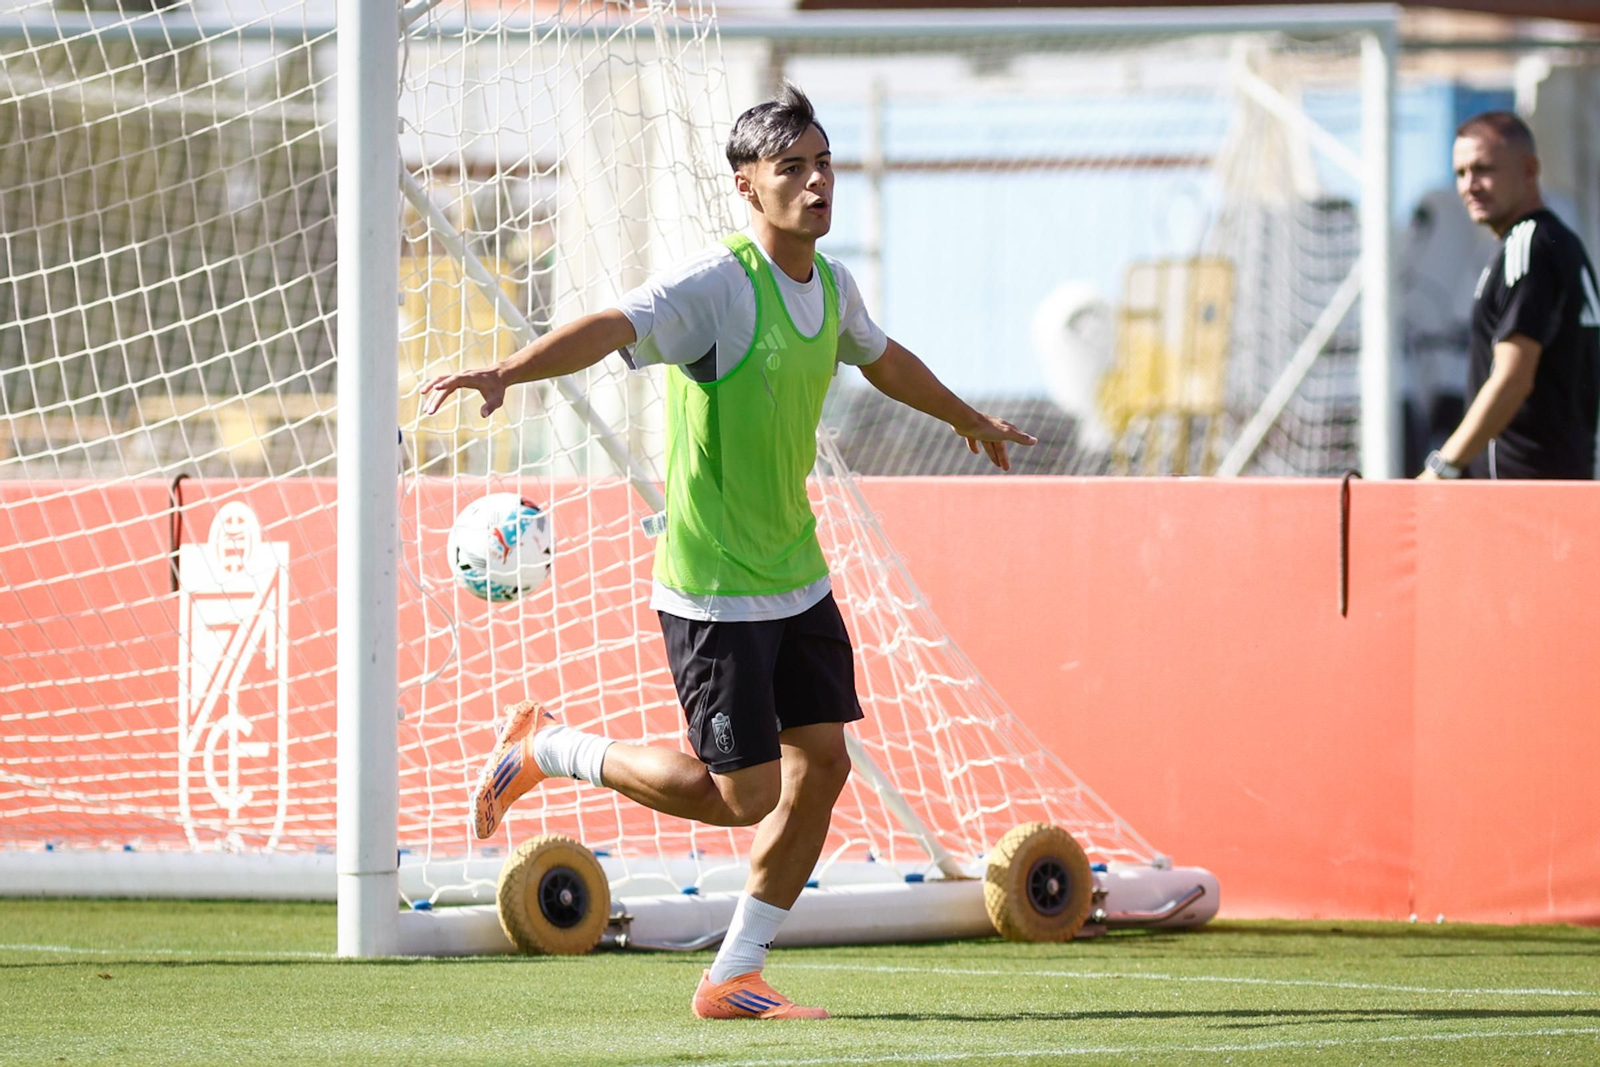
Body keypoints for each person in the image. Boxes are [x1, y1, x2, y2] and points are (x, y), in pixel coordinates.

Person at [421, 84, 1034, 1020]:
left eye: (824, 161)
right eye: (793, 167)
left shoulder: (832, 286)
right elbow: (613, 325)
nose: (818, 180)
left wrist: (964, 417)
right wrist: (507, 369)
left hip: (797, 573)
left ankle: (733, 974)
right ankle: (550, 747)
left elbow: (880, 355)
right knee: (742, 797)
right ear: (749, 186)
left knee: (822, 765)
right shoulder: (719, 284)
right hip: (712, 592)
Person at [1419, 110, 1600, 481]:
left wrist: (1443, 467)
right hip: (1561, 484)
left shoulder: (1528, 245)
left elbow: (1514, 376)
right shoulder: (1556, 243)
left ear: (1530, 170)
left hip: (1522, 493)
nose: (1470, 185)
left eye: (1484, 169)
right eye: (1460, 173)